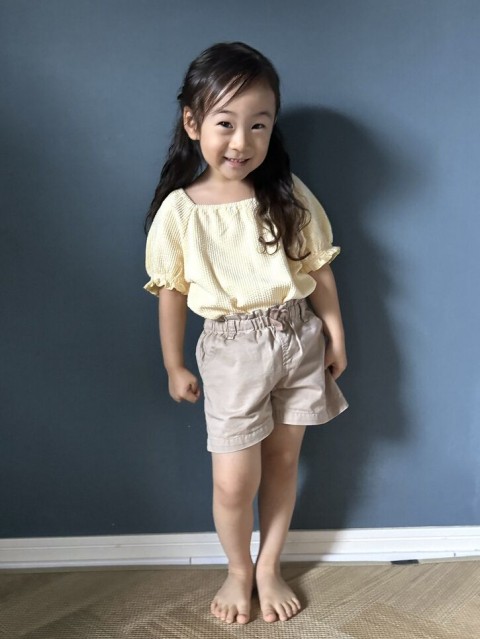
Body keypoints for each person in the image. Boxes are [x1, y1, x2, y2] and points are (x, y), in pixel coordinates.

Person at [144, 41, 348, 625]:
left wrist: (336, 334)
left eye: (258, 125)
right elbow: (171, 290)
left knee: (283, 464)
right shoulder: (181, 210)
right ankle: (237, 569)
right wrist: (173, 364)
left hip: (298, 338)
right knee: (235, 482)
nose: (242, 141)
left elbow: (317, 268)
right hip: (232, 350)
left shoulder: (286, 192)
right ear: (193, 123)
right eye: (226, 123)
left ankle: (269, 565)